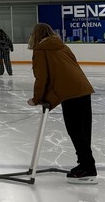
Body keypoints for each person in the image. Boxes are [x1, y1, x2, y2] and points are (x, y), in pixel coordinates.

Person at [27, 23, 98, 184]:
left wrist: (37, 99)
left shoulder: (40, 49)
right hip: (83, 89)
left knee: (76, 131)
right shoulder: (62, 46)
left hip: (70, 93)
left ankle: (88, 167)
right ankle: (85, 164)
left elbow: (42, 77)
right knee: (83, 131)